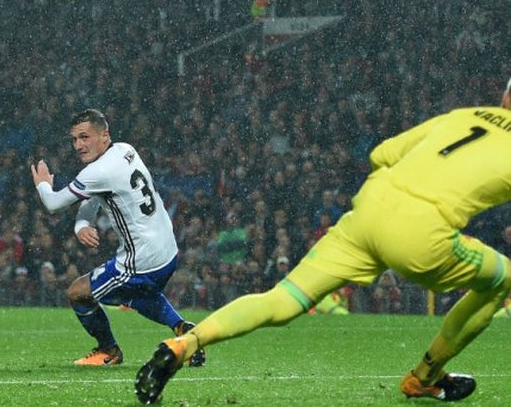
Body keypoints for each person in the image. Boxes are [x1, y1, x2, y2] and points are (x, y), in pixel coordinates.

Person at [135, 80, 511, 404]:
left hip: (369, 209)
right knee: (502, 278)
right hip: (423, 232)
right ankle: (425, 378)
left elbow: (381, 154)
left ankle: (185, 345)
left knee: (280, 300)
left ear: (504, 97)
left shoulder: (466, 115)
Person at [31, 108, 205, 366]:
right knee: (139, 293)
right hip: (167, 250)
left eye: (85, 137)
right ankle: (182, 330)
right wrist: (82, 224)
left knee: (78, 293)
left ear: (104, 136)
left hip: (142, 259)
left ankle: (108, 351)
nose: (78, 145)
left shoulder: (97, 171)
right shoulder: (125, 149)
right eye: (75, 139)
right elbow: (95, 194)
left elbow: (54, 204)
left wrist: (43, 184)